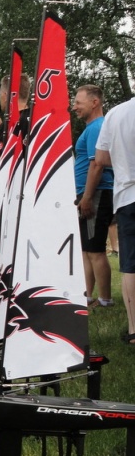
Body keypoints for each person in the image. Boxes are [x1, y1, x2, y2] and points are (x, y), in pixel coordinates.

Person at [91, 92, 135, 342]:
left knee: (130, 266)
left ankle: (133, 330)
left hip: (129, 195)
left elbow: (101, 158)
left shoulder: (116, 113)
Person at [73, 85, 113, 308]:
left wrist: (87, 197)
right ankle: (87, 296)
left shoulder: (97, 127)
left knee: (96, 250)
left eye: (78, 102)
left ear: (94, 102)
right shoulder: (92, 128)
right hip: (87, 194)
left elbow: (96, 164)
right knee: (87, 249)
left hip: (96, 193)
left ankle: (105, 300)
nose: (74, 107)